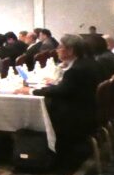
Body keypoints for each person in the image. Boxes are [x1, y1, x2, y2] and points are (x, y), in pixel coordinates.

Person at [15, 34, 98, 162]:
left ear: (70, 50)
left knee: (35, 110)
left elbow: (61, 91)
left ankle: (34, 149)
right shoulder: (88, 63)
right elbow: (69, 87)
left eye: (60, 47)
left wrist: (31, 91)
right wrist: (57, 81)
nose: (57, 50)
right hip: (88, 107)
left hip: (76, 114)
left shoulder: (75, 70)